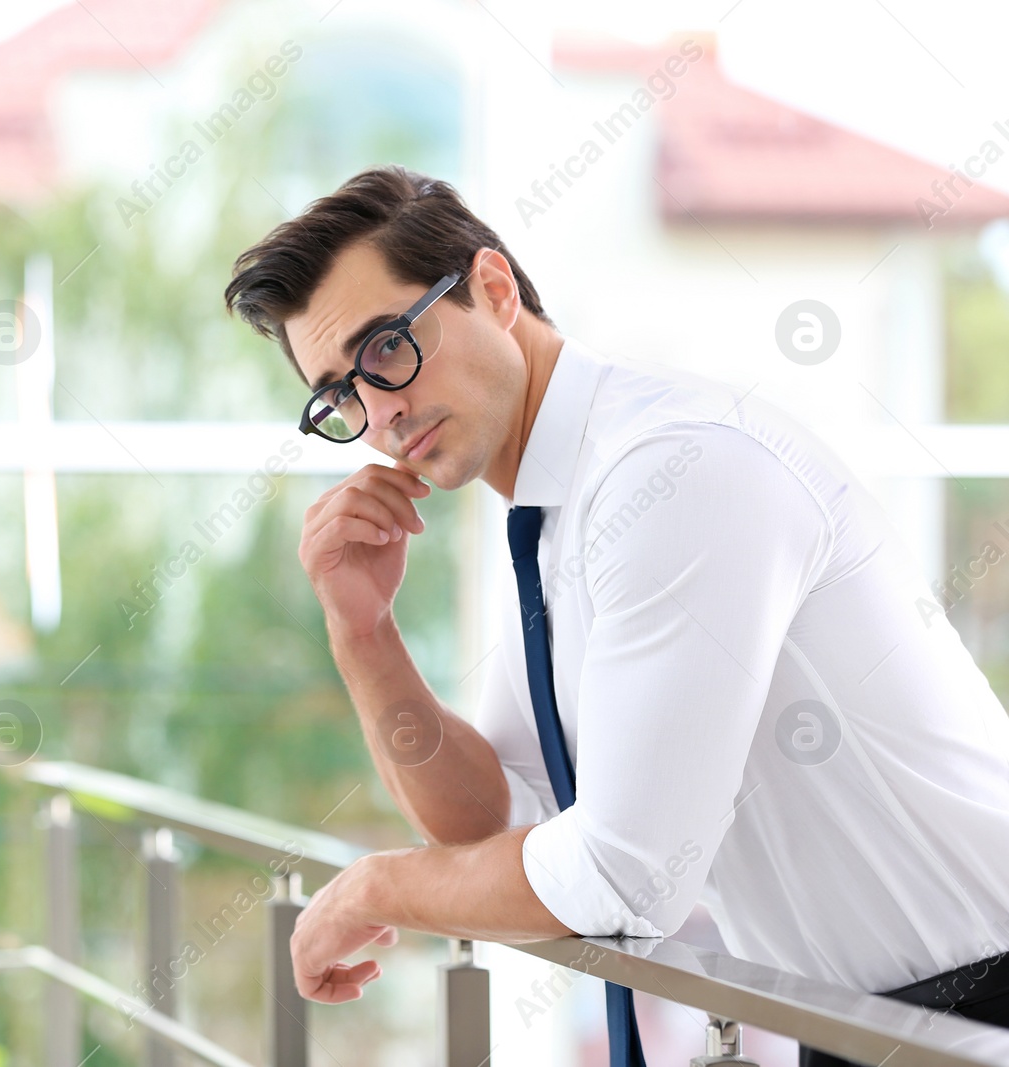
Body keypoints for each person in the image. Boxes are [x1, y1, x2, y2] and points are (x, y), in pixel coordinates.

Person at [222, 164, 1009, 1067]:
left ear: (492, 287)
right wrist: (362, 634)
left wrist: (377, 886)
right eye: (341, 395)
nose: (381, 412)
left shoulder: (672, 470)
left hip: (984, 1003)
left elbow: (627, 876)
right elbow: (493, 822)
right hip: (857, 1027)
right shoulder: (556, 514)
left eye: (389, 346)